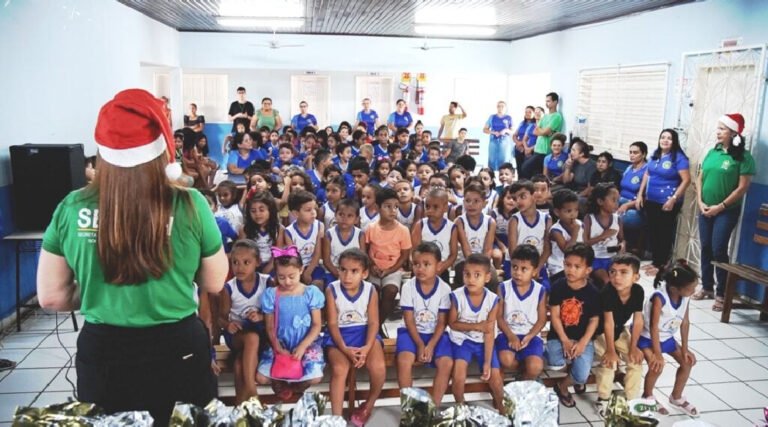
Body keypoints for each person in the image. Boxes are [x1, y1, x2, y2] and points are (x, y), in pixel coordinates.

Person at [37, 89, 229, 425]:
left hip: (105, 352)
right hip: (177, 348)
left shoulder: (72, 207)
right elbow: (214, 281)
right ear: (160, 150)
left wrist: (102, 289)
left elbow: (51, 296)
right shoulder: (191, 204)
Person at [694, 113, 756, 311]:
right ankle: (707, 287)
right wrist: (700, 202)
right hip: (705, 208)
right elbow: (700, 178)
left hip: (726, 211)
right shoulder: (713, 152)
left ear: (734, 133)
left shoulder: (744, 157)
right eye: (718, 128)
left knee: (718, 249)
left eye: (722, 129)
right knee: (706, 247)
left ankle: (722, 293)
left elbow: (742, 188)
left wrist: (720, 206)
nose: (718, 132)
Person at [325, 249, 385, 426]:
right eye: (343, 270)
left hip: (364, 333)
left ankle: (368, 405)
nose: (347, 276)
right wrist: (344, 349)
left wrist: (366, 347)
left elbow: (373, 322)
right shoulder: (331, 289)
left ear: (364, 274)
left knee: (379, 367)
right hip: (339, 335)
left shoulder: (370, 290)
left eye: (354, 271)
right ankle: (336, 418)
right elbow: (332, 324)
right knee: (339, 369)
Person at [256, 247, 326, 400]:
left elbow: (316, 325)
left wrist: (303, 346)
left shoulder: (310, 293)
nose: (287, 281)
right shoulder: (271, 294)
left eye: (291, 276)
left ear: (301, 270)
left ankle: (294, 387)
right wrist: (278, 347)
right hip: (280, 342)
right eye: (281, 277)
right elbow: (269, 326)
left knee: (315, 377)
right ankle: (281, 381)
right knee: (261, 377)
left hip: (306, 343)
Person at [639, 259, 699, 417]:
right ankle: (647, 396)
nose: (693, 291)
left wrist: (685, 349)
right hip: (647, 337)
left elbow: (685, 322)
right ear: (674, 288)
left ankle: (676, 397)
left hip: (666, 337)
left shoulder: (685, 296)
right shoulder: (659, 297)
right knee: (657, 365)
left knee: (687, 362)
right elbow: (653, 327)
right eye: (690, 289)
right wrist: (658, 354)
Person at [397, 242, 454, 406]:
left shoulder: (445, 289)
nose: (420, 268)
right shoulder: (408, 287)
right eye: (416, 264)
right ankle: (409, 407)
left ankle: (433, 407)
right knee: (404, 361)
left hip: (436, 333)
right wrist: (421, 345)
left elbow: (442, 322)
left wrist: (430, 345)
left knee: (446, 363)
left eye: (426, 264)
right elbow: (409, 320)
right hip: (411, 332)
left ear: (438, 266)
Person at [546, 243, 600, 408]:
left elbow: (594, 320)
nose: (571, 270)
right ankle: (573, 366)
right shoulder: (558, 286)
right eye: (568, 265)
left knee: (582, 376)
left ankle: (562, 386)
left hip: (582, 338)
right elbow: (555, 316)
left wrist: (582, 342)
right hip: (559, 336)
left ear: (588, 270)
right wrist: (565, 341)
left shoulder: (593, 292)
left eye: (577, 267)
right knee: (555, 363)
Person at [448, 253, 504, 412]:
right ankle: (461, 405)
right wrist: (477, 326)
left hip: (484, 342)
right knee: (458, 377)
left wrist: (487, 362)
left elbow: (488, 332)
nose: (471, 279)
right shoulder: (457, 296)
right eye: (467, 274)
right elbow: (452, 324)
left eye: (477, 275)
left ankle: (502, 407)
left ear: (487, 277)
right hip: (462, 340)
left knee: (495, 377)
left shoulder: (492, 300)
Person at [220, 240, 271, 403]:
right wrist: (228, 325)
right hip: (238, 336)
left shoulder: (267, 282)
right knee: (251, 338)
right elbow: (220, 318)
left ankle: (241, 408)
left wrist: (262, 316)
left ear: (258, 262)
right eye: (235, 262)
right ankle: (253, 393)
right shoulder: (229, 287)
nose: (240, 267)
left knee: (239, 365)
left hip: (263, 334)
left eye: (246, 262)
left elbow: (278, 312)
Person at [593, 253, 645, 415]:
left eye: (624, 272)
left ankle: (631, 399)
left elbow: (638, 320)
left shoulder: (638, 291)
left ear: (636, 277)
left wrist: (634, 347)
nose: (617, 277)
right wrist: (611, 350)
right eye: (613, 272)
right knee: (609, 362)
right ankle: (603, 398)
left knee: (635, 361)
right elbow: (607, 323)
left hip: (620, 330)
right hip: (600, 332)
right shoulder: (607, 292)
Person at [637, 129, 691, 275]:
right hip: (651, 200)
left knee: (664, 233)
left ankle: (662, 264)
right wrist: (640, 194)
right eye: (663, 137)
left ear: (674, 141)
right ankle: (655, 261)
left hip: (668, 202)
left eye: (669, 138)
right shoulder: (655, 155)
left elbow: (686, 180)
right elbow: (647, 174)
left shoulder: (679, 158)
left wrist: (673, 199)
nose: (665, 140)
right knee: (653, 231)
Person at [496, 245, 547, 381]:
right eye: (514, 267)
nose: (518, 272)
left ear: (534, 271)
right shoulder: (503, 288)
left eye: (524, 269)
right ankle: (522, 369)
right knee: (506, 360)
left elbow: (541, 320)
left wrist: (529, 336)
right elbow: (499, 317)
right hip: (507, 332)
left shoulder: (540, 290)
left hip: (530, 334)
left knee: (535, 367)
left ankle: (523, 380)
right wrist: (511, 336)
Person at [365, 187, 413, 328]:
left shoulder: (403, 230)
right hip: (374, 269)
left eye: (396, 207)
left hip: (393, 270)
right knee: (373, 291)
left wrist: (390, 270)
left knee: (390, 291)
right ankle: (370, 323)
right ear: (377, 208)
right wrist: (372, 265)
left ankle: (377, 325)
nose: (393, 210)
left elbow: (404, 255)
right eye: (388, 206)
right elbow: (365, 250)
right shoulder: (371, 228)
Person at [507, 180, 551, 290]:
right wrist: (524, 270)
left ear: (534, 196)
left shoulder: (546, 219)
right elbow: (513, 251)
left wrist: (537, 269)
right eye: (514, 199)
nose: (518, 201)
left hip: (537, 264)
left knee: (545, 289)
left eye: (522, 196)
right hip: (516, 265)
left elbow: (547, 249)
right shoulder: (514, 220)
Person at [411, 188, 459, 284]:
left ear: (445, 208)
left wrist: (441, 267)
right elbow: (414, 251)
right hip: (421, 268)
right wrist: (421, 266)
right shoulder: (420, 225)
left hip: (441, 268)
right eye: (427, 206)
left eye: (435, 207)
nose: (430, 210)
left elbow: (453, 254)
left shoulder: (451, 227)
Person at [454, 184, 497, 289]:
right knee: (465, 276)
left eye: (476, 201)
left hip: (484, 261)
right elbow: (466, 249)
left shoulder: (490, 222)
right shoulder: (459, 221)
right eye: (467, 201)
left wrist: (482, 267)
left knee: (492, 278)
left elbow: (488, 249)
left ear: (484, 203)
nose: (471, 204)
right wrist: (474, 268)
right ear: (463, 202)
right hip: (464, 261)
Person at [583, 183, 623, 288]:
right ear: (600, 201)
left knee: (620, 280)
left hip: (613, 258)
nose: (617, 204)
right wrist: (602, 236)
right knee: (607, 281)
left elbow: (622, 239)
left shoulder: (617, 219)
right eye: (613, 200)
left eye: (618, 200)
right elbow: (585, 243)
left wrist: (622, 247)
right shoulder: (589, 218)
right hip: (596, 258)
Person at [284, 191, 325, 289]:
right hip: (296, 267)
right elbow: (293, 257)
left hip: (314, 265)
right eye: (308, 210)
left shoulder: (319, 226)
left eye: (314, 208)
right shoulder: (289, 232)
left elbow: (317, 253)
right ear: (296, 213)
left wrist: (308, 272)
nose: (313, 212)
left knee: (317, 284)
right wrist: (301, 273)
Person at [322, 198, 366, 286]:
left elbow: (362, 258)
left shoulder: (360, 234)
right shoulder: (329, 234)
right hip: (332, 271)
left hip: (353, 271)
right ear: (335, 215)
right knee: (330, 287)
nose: (344, 218)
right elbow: (326, 261)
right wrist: (339, 275)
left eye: (349, 216)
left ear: (356, 219)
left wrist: (350, 275)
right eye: (341, 214)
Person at [241, 192, 285, 275]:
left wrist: (268, 268)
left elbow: (278, 252)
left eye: (261, 210)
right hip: (251, 265)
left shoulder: (279, 228)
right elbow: (243, 252)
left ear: (270, 210)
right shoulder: (244, 229)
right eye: (253, 211)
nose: (257, 214)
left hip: (272, 264)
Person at [617, 142, 649, 257]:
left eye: (635, 152)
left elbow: (645, 198)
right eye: (630, 152)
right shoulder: (628, 168)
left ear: (643, 154)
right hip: (620, 201)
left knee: (617, 218)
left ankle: (622, 244)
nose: (632, 155)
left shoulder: (647, 171)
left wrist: (627, 205)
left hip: (636, 208)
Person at [521, 93, 563, 179]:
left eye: (548, 101)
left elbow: (544, 132)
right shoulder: (545, 116)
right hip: (537, 149)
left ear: (555, 102)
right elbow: (535, 131)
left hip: (545, 151)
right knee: (535, 173)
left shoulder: (557, 116)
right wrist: (544, 132)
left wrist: (543, 132)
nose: (546, 103)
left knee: (525, 168)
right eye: (546, 101)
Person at [548, 189, 583, 284]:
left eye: (576, 210)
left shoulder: (580, 224)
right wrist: (575, 233)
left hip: (578, 264)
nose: (573, 214)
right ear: (557, 212)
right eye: (568, 211)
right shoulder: (556, 230)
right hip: (559, 267)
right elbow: (567, 251)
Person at [483, 100, 513, 171]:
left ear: (505, 108)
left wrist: (505, 130)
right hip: (493, 141)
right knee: (492, 159)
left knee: (504, 158)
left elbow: (512, 130)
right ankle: (491, 174)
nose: (500, 108)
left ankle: (504, 173)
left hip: (504, 141)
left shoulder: (509, 118)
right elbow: (485, 129)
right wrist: (493, 132)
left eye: (502, 106)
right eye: (499, 106)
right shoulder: (492, 117)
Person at [513, 106, 537, 171]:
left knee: (526, 169)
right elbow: (514, 135)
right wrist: (517, 143)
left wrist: (522, 144)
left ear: (534, 113)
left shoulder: (535, 124)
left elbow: (531, 137)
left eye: (529, 112)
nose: (527, 113)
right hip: (518, 148)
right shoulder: (522, 123)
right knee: (519, 168)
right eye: (526, 112)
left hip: (528, 149)